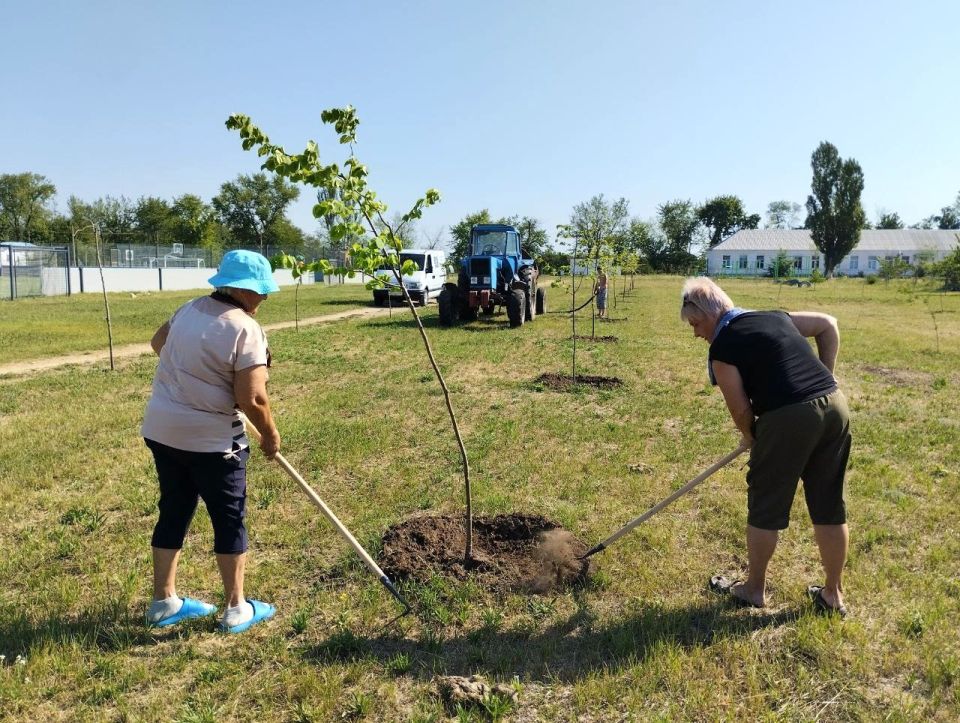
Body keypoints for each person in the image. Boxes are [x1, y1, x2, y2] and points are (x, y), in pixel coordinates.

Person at [680, 277, 850, 615]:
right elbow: (827, 325)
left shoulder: (723, 347)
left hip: (788, 417)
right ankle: (833, 595)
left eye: (697, 324)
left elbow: (741, 409)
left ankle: (753, 589)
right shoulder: (774, 315)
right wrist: (825, 379)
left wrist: (751, 436)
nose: (696, 333)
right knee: (828, 502)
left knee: (766, 503)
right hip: (835, 407)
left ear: (712, 313)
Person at [142, 250, 282, 633]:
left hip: (163, 431)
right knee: (229, 517)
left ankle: (163, 602)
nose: (265, 299)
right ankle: (237, 608)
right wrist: (270, 434)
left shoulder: (188, 309)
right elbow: (251, 397)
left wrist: (194, 377)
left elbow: (159, 343)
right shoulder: (244, 328)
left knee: (174, 508)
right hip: (213, 443)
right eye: (261, 292)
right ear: (241, 290)